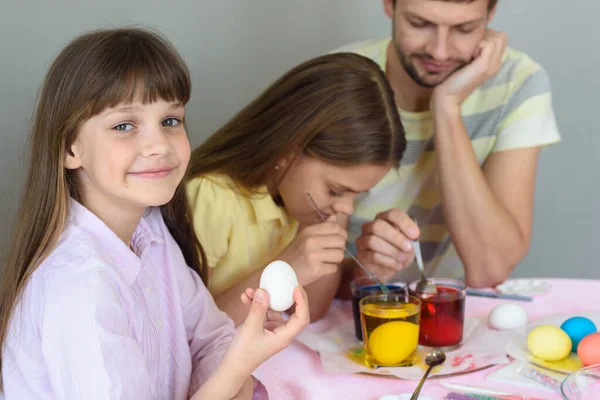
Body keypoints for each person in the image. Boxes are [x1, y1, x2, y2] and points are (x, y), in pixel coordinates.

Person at [0, 28, 309, 400]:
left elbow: (213, 339)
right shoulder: (78, 288)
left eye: (170, 121)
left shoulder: (151, 231)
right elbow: (225, 363)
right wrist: (238, 366)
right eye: (124, 126)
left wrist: (234, 359)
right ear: (70, 149)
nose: (159, 145)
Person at [333, 0, 561, 288]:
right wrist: (363, 271)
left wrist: (446, 104)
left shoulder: (519, 83)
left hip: (448, 308)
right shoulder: (337, 81)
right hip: (354, 304)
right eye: (419, 24)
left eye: (465, 29)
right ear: (389, 5)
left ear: (490, 14)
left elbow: (490, 268)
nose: (439, 51)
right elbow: (313, 280)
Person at [187, 52, 407, 325]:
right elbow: (184, 335)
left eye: (357, 195)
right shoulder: (210, 197)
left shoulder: (309, 206)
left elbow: (312, 311)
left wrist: (366, 268)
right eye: (337, 190)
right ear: (286, 153)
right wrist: (284, 270)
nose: (347, 208)